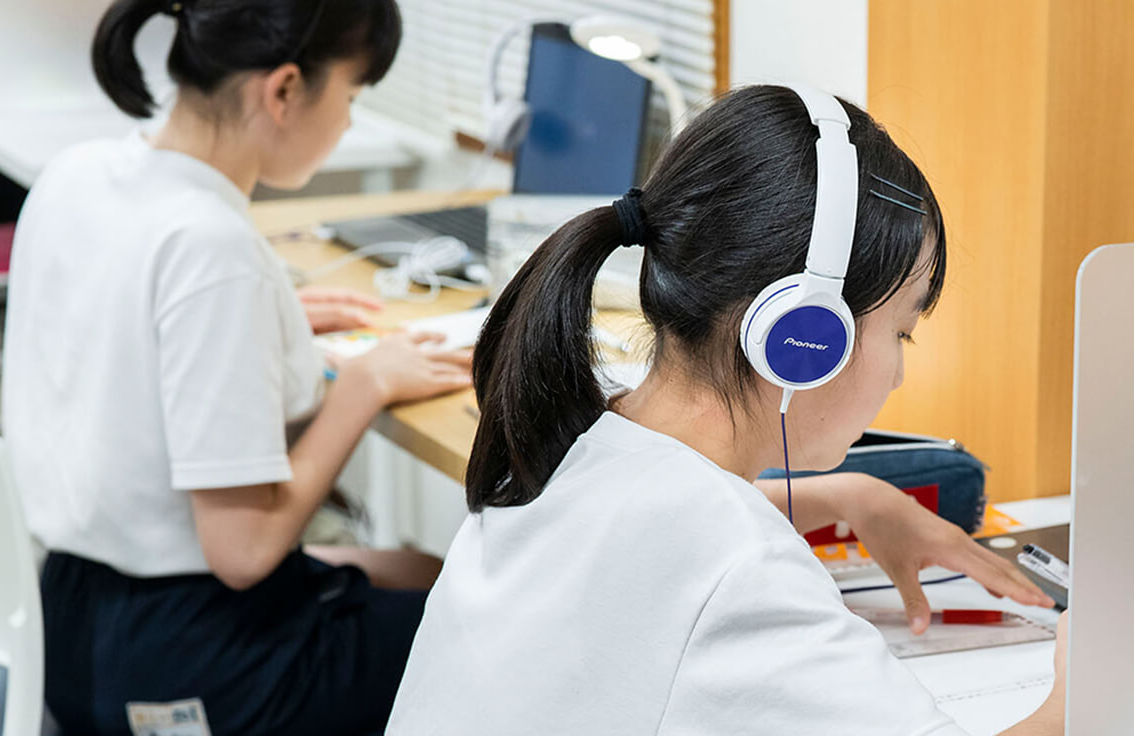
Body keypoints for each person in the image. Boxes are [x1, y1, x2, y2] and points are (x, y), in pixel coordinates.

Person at [386, 85, 1066, 735]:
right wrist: (1081, 690)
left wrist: (849, 497)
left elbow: (654, 543)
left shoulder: (567, 443)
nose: (898, 373)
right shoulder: (744, 568)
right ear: (805, 336)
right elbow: (706, 561)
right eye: (902, 332)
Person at [1, 0, 470, 733]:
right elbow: (244, 551)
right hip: (185, 662)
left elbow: (128, 329)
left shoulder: (77, 173)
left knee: (423, 568)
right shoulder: (211, 248)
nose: (348, 119)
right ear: (284, 89)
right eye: (352, 93)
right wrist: (361, 386)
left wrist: (271, 325)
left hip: (67, 620)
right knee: (484, 632)